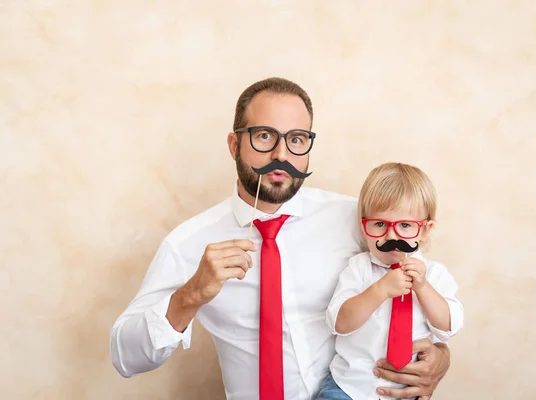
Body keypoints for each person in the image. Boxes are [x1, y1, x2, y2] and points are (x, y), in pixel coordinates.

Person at [110, 77, 452, 400]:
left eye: (296, 139)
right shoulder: (187, 243)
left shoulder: (357, 220)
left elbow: (411, 283)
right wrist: (189, 296)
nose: (281, 155)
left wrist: (440, 355)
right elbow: (126, 357)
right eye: (264, 136)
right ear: (234, 144)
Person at [315, 163, 464, 400]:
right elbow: (340, 322)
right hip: (348, 387)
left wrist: (423, 287)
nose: (391, 236)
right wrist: (380, 290)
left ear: (425, 230)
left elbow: (449, 326)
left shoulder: (435, 275)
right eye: (380, 224)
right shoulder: (359, 268)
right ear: (364, 226)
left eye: (405, 225)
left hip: (406, 393)